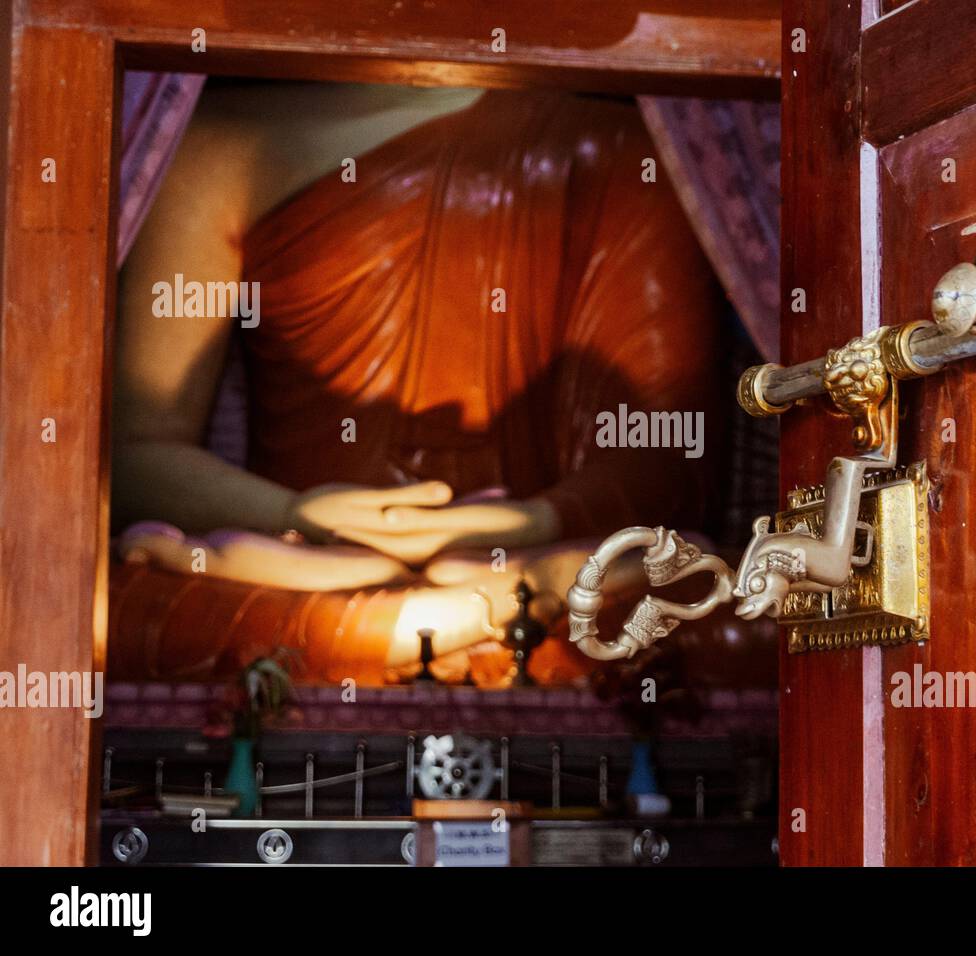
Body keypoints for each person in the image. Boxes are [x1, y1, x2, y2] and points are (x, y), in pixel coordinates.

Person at [109, 81, 724, 684]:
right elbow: (135, 459)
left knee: (715, 601)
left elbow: (666, 458)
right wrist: (299, 512)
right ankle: (486, 614)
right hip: (303, 562)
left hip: (532, 552)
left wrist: (526, 524)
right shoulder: (221, 140)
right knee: (102, 609)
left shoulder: (619, 146)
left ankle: (426, 624)